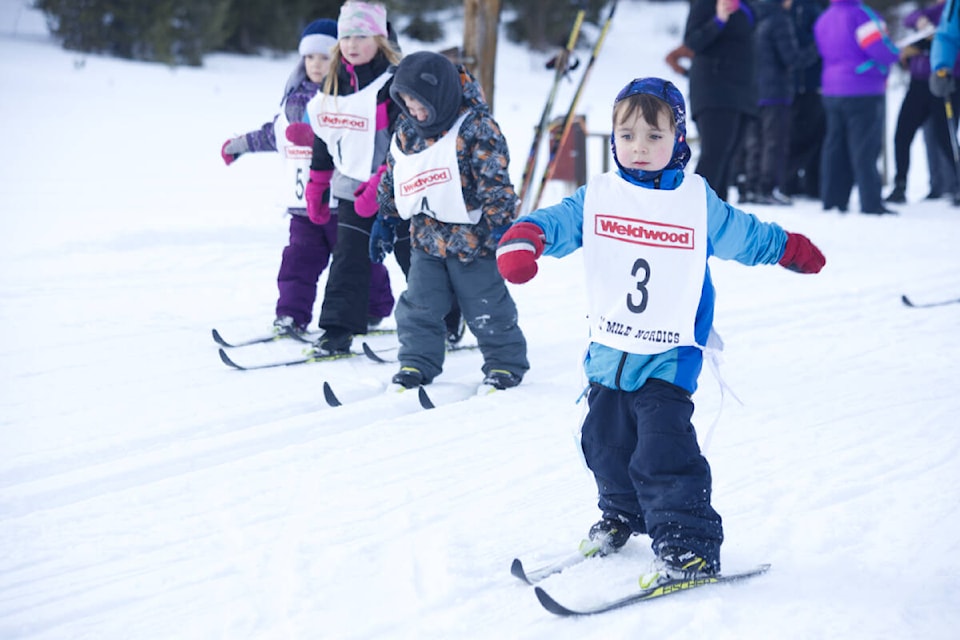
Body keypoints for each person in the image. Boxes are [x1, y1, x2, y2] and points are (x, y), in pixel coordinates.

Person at [495, 78, 825, 585]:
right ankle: (625, 514)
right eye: (627, 136)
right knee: (603, 443)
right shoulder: (600, 195)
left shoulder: (695, 201)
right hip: (609, 352)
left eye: (654, 136)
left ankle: (688, 545)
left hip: (669, 355)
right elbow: (558, 221)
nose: (640, 148)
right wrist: (527, 237)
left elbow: (744, 235)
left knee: (662, 451)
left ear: (679, 139)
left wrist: (788, 248)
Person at [219, 18, 394, 336]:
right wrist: (240, 145)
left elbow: (354, 139)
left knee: (356, 261)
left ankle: (374, 307)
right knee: (298, 261)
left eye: (324, 56)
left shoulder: (347, 98)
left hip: (341, 201)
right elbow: (274, 135)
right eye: (310, 57)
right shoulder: (293, 98)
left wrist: (314, 137)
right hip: (302, 204)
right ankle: (290, 315)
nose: (316, 64)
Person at [372, 52, 529, 390]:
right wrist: (385, 215)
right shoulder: (407, 130)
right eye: (408, 105)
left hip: (475, 243)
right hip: (426, 241)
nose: (415, 113)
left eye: (420, 106)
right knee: (419, 306)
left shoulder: (476, 128)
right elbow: (394, 173)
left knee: (486, 306)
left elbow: (494, 180)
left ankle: (504, 364)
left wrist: (503, 227)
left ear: (440, 95)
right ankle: (416, 363)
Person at [294, 1, 408, 355]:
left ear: (380, 38)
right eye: (346, 36)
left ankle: (445, 322)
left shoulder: (395, 82)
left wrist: (381, 183)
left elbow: (409, 140)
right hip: (350, 188)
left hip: (400, 188)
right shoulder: (334, 81)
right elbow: (327, 138)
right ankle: (337, 331)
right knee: (349, 258)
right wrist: (317, 184)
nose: (352, 44)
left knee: (413, 260)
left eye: (361, 36)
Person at [813, 0, 900, 215]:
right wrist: (895, 53)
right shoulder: (861, 15)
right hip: (863, 87)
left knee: (834, 146)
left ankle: (833, 200)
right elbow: (880, 49)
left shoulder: (825, 17)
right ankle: (871, 202)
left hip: (832, 88)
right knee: (864, 149)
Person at [741, 0, 820, 205]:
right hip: (775, 91)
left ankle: (751, 187)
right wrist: (816, 48)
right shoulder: (780, 20)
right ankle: (768, 188)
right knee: (775, 142)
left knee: (755, 142)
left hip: (752, 91)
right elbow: (792, 58)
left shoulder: (752, 17)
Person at [886, 0, 960, 205]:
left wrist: (924, 46)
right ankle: (900, 184)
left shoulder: (950, 8)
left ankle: (956, 185)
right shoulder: (933, 11)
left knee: (946, 137)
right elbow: (911, 18)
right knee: (903, 133)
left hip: (946, 82)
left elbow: (948, 39)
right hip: (919, 84)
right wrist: (920, 22)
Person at [683, 0, 758, 201]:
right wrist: (718, 20)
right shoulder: (705, 3)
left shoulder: (748, 5)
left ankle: (717, 216)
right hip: (714, 88)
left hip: (742, 90)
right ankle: (693, 210)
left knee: (728, 157)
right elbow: (692, 41)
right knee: (714, 154)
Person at [783, 0, 828, 200]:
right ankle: (791, 182)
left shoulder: (810, 8)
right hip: (797, 85)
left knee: (813, 137)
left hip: (809, 84)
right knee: (797, 137)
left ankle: (809, 184)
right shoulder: (798, 9)